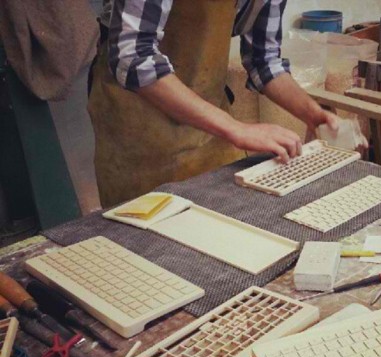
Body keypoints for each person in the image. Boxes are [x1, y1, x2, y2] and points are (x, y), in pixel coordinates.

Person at [89, 0, 342, 207]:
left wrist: (313, 114)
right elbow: (134, 59)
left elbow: (264, 60)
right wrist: (237, 129)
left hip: (210, 127)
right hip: (139, 132)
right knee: (148, 250)